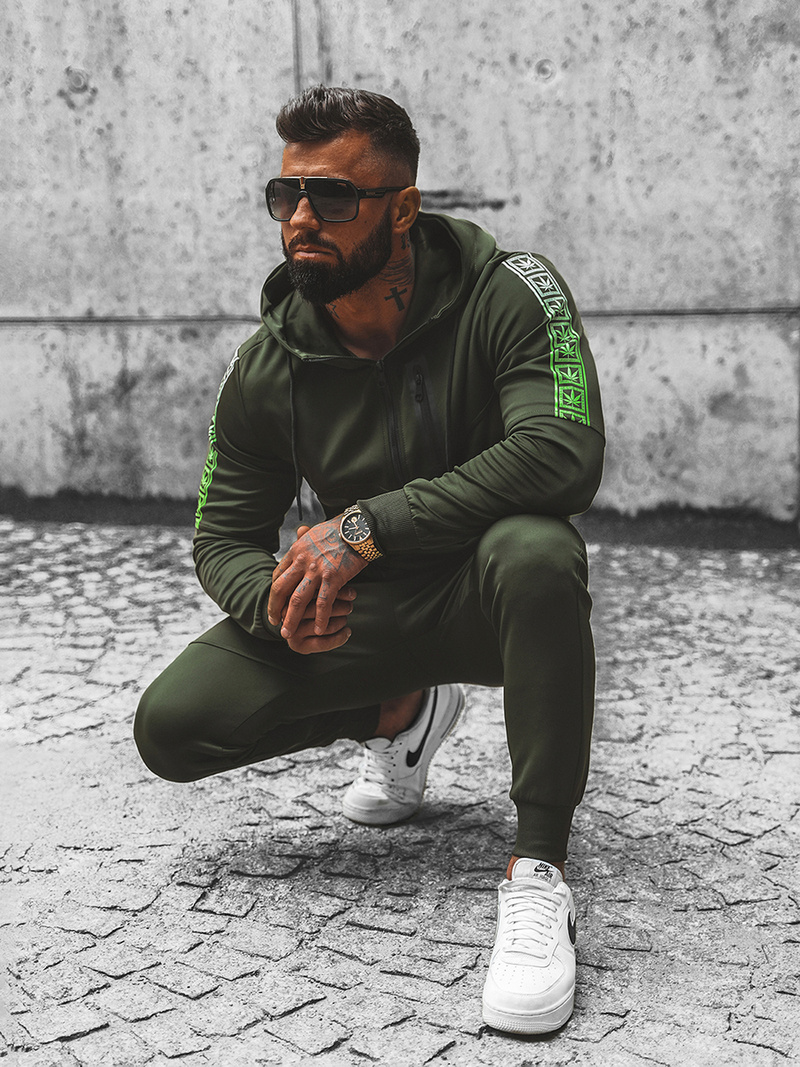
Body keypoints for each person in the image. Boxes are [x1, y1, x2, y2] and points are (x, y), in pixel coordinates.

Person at [134, 85, 605, 1035]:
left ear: (403, 208)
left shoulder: (513, 289)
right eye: (286, 194)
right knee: (173, 727)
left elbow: (562, 451)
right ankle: (400, 712)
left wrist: (364, 527)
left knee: (537, 549)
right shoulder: (268, 364)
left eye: (333, 196)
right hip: (368, 619)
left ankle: (537, 872)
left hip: (487, 597)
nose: (301, 218)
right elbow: (222, 536)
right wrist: (275, 604)